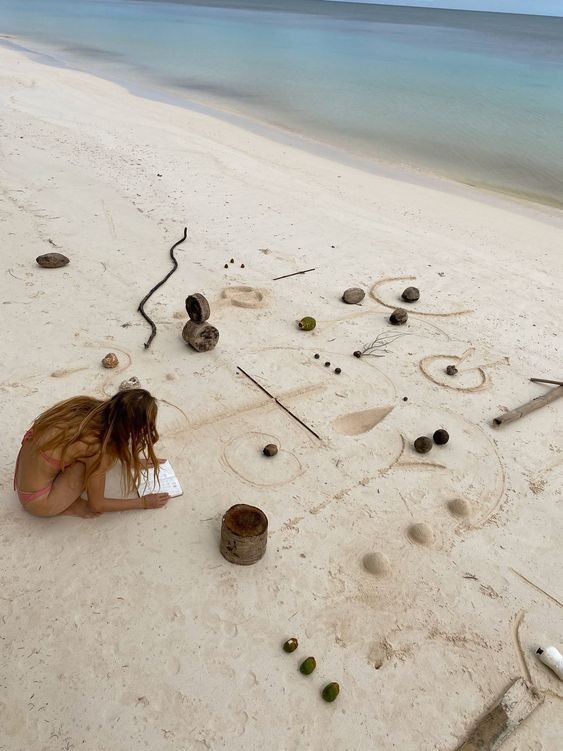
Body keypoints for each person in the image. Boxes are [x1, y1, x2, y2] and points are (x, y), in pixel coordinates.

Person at [13, 388, 170, 518]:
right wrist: (143, 503)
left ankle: (61, 496)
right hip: (38, 502)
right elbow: (97, 504)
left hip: (25, 476)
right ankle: (67, 506)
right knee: (88, 465)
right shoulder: (98, 449)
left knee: (82, 455)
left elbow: (114, 437)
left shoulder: (88, 407)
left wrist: (133, 461)